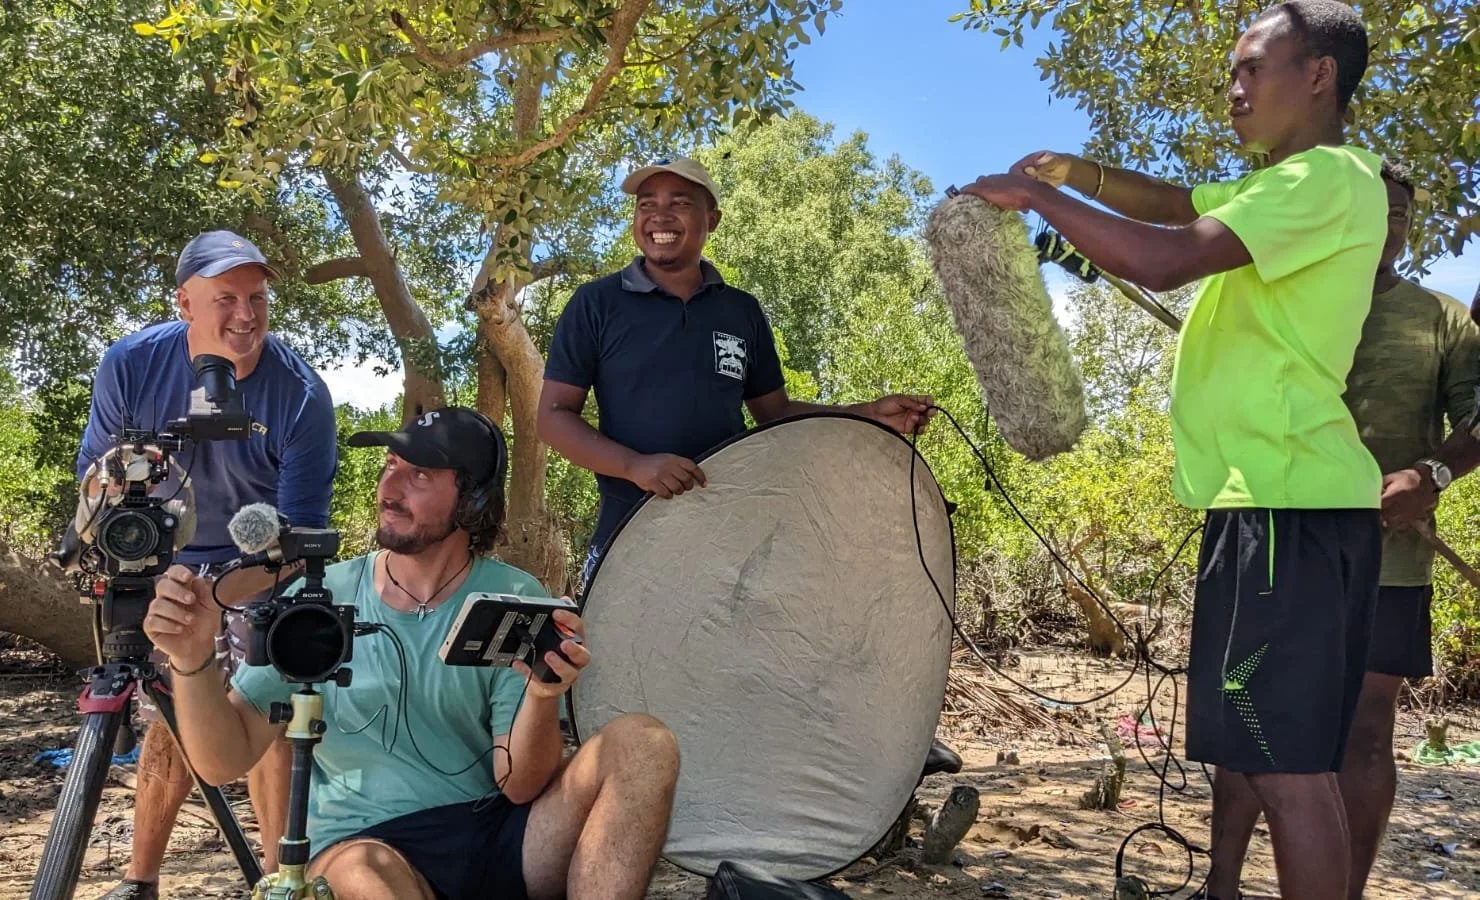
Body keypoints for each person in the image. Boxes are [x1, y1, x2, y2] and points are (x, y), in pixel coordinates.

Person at [962, 3, 1386, 897]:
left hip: (1287, 507)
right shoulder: (1279, 184)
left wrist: (1039, 199)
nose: (1235, 88)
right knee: (1263, 753)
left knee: (1287, 769)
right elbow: (1176, 204)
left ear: (1318, 75)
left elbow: (1163, 256)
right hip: (1268, 508)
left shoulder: (1328, 178)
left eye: (1254, 68)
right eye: (1229, 72)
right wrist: (1082, 171)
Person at [143, 406, 681, 900]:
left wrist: (542, 696)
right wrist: (191, 660)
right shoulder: (320, 597)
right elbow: (221, 761)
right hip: (366, 844)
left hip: (497, 832)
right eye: (390, 465)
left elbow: (519, 784)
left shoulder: (515, 599)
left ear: (471, 498)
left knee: (644, 744)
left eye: (419, 474)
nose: (389, 488)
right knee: (362, 874)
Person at [536, 156, 959, 775]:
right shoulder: (597, 304)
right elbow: (553, 418)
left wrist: (865, 414)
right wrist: (635, 465)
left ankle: (861, 760)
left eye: (679, 202)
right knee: (624, 670)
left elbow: (776, 412)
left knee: (761, 655)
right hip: (633, 529)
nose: (659, 215)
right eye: (645, 202)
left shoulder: (740, 312)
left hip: (737, 535)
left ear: (710, 218)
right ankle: (632, 796)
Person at [1209, 161, 1480, 898]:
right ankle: (1221, 886)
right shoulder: (1286, 296)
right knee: (1247, 713)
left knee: (1364, 730)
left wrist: (1432, 478)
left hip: (1387, 559)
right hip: (1273, 542)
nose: (1388, 227)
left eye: (1402, 216)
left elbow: (1478, 422)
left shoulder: (1441, 319)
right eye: (1375, 211)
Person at [76, 230, 339, 900]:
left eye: (257, 297)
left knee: (265, 707)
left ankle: (282, 880)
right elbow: (92, 482)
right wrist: (117, 506)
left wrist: (219, 597)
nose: (245, 315)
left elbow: (302, 537)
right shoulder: (131, 364)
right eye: (226, 297)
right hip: (162, 560)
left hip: (260, 566)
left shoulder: (301, 394)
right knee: (171, 719)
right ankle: (140, 881)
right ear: (184, 304)